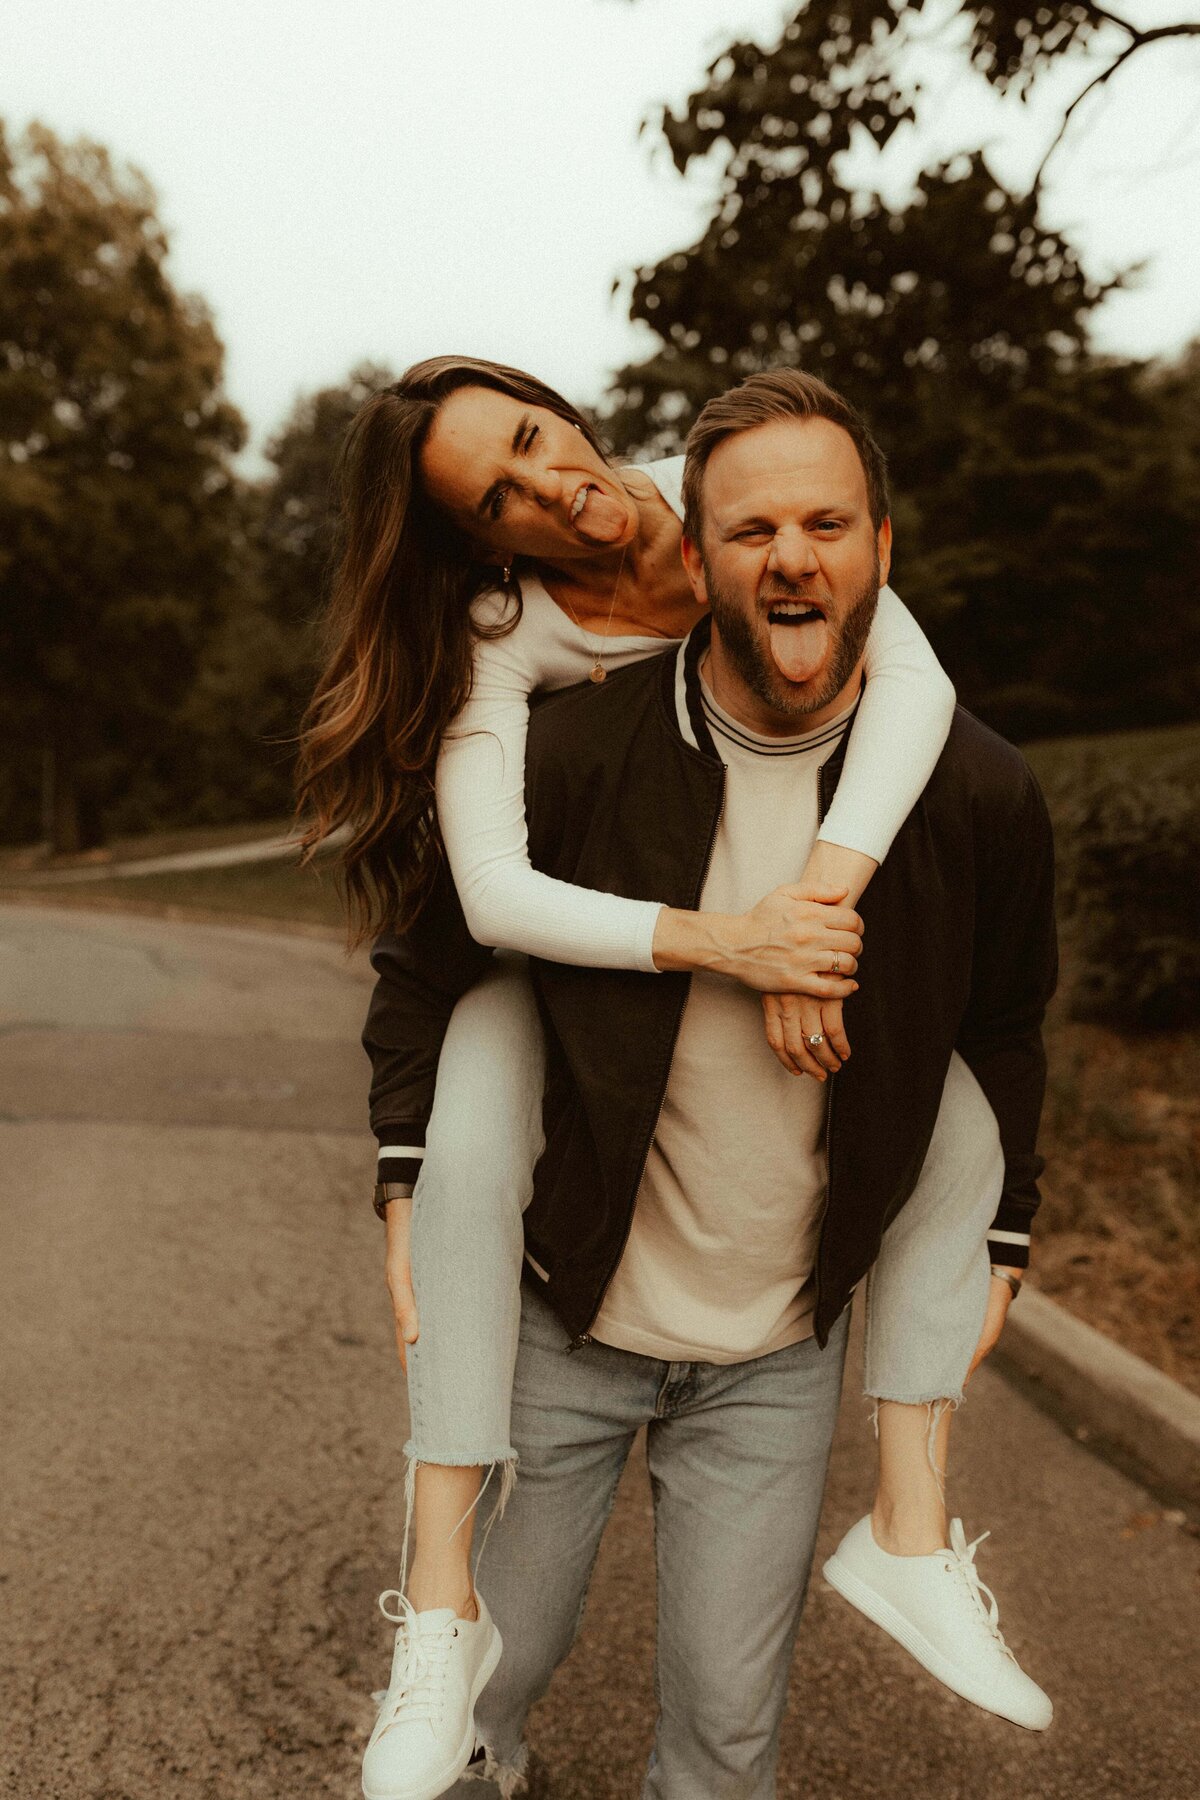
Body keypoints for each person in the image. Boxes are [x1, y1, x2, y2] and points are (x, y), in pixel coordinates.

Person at [299, 363, 1056, 1800]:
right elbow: (461, 922)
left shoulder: (952, 766)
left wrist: (820, 923)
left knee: (727, 1745)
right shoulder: (523, 657)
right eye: (498, 499)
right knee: (474, 1716)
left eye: (535, 441)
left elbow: (1002, 1002)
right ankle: (442, 1620)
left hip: (770, 1349)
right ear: (486, 544)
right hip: (571, 1309)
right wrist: (409, 1171)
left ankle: (910, 1535)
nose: (550, 492)